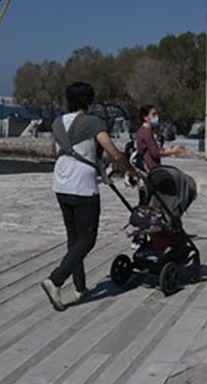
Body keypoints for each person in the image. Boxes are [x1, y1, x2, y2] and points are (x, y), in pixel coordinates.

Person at [44, 83, 141, 312]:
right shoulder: (93, 122)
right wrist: (132, 171)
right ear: (89, 101)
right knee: (87, 239)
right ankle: (55, 280)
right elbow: (114, 153)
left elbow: (53, 151)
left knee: (74, 239)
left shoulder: (58, 122)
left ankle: (80, 288)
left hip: (61, 183)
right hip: (83, 185)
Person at [134, 105, 184, 174]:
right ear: (145, 117)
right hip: (150, 169)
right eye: (153, 114)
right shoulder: (145, 132)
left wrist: (169, 149)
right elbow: (155, 153)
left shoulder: (147, 131)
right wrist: (173, 151)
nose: (156, 117)